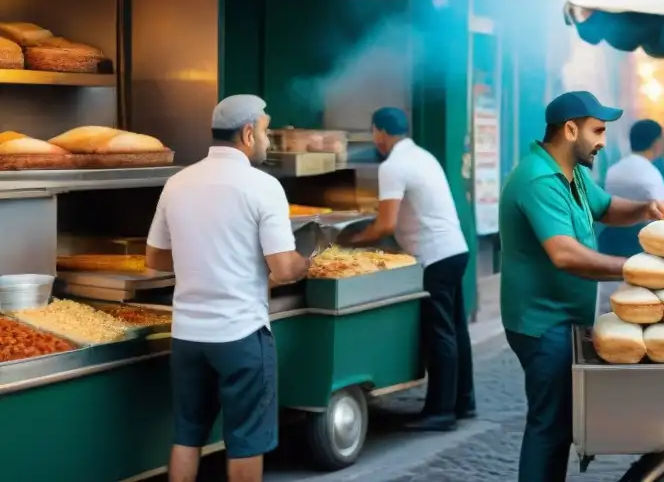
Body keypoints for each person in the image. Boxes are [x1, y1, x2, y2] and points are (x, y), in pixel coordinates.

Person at [499, 90, 664, 482]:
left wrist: (645, 209)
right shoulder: (538, 180)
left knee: (558, 424)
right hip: (542, 323)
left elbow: (607, 207)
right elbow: (565, 255)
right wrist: (637, 268)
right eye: (597, 130)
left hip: (564, 318)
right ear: (570, 129)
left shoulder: (572, 172)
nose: (603, 141)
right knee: (549, 426)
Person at [145, 95, 312, 482]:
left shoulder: (177, 183)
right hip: (241, 335)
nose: (269, 141)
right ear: (248, 133)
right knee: (245, 441)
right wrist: (307, 262)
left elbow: (154, 258)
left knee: (187, 437)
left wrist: (199, 258)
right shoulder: (263, 186)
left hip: (187, 336)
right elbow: (284, 268)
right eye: (267, 131)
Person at [346, 107, 474, 432]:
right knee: (456, 329)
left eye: (374, 133)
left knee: (440, 333)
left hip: (434, 257)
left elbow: (385, 224)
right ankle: (463, 401)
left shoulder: (393, 166)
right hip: (456, 249)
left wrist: (353, 242)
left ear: (379, 132)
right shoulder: (423, 156)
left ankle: (441, 413)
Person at [596, 119, 664, 313]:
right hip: (638, 247)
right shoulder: (652, 174)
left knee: (608, 306)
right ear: (656, 143)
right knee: (635, 308)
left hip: (609, 242)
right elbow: (660, 217)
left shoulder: (614, 170)